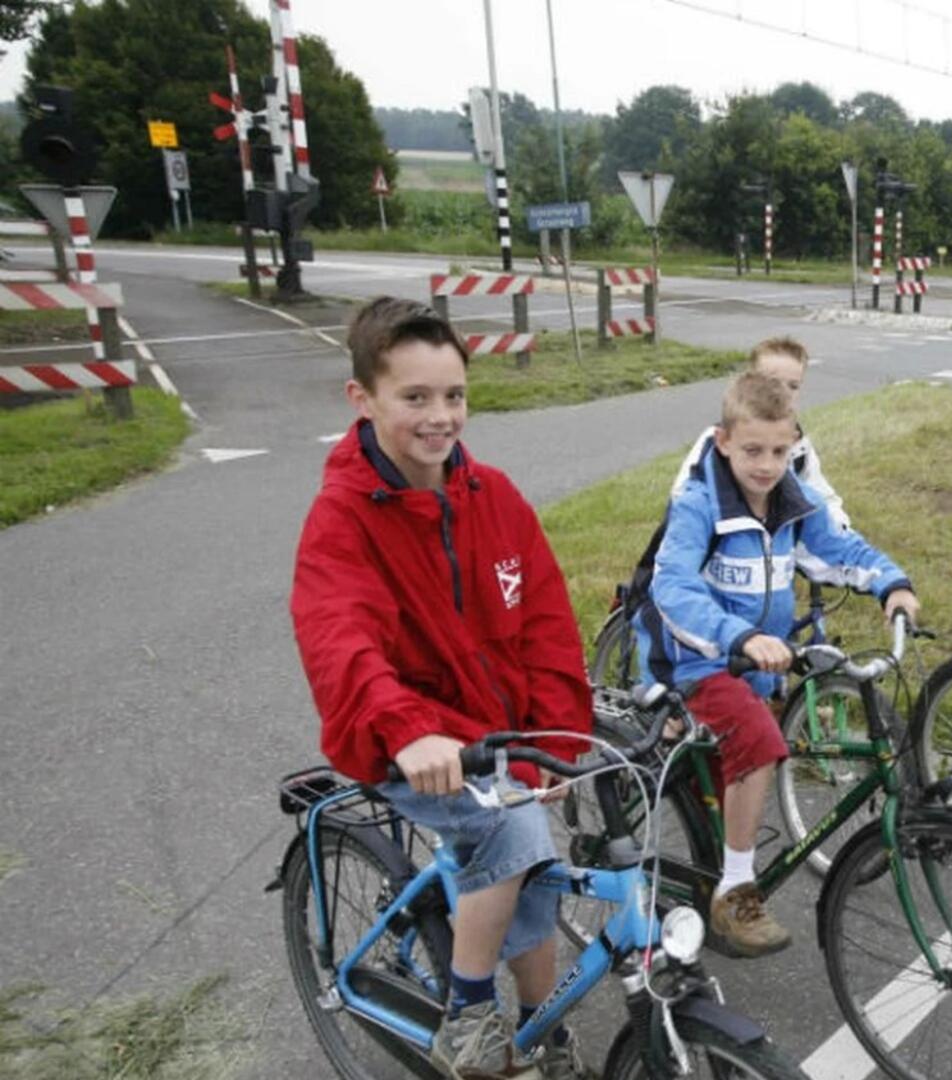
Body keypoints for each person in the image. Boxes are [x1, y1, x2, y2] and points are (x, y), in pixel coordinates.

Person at [290, 297, 592, 1080]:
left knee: (532, 869)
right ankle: (467, 1015)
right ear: (363, 400)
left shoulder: (492, 494)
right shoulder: (342, 516)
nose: (440, 416)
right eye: (414, 397)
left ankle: (540, 1032)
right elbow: (340, 637)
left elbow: (548, 626)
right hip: (408, 736)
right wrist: (405, 729)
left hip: (498, 737)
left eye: (453, 395)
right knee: (512, 838)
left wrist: (555, 747)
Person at [635, 370, 919, 955]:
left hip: (753, 664)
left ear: (795, 445)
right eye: (752, 451)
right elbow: (673, 589)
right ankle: (736, 895)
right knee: (761, 743)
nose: (766, 465)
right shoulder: (698, 503)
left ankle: (712, 857)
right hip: (695, 659)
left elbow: (840, 547)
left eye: (780, 451)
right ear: (723, 443)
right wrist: (735, 636)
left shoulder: (792, 499)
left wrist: (892, 583)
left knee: (730, 768)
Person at [670, 335, 848, 532]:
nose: (783, 392)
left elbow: (824, 498)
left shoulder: (799, 447)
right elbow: (681, 497)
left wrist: (839, 530)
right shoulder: (718, 440)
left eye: (793, 386)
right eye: (772, 382)